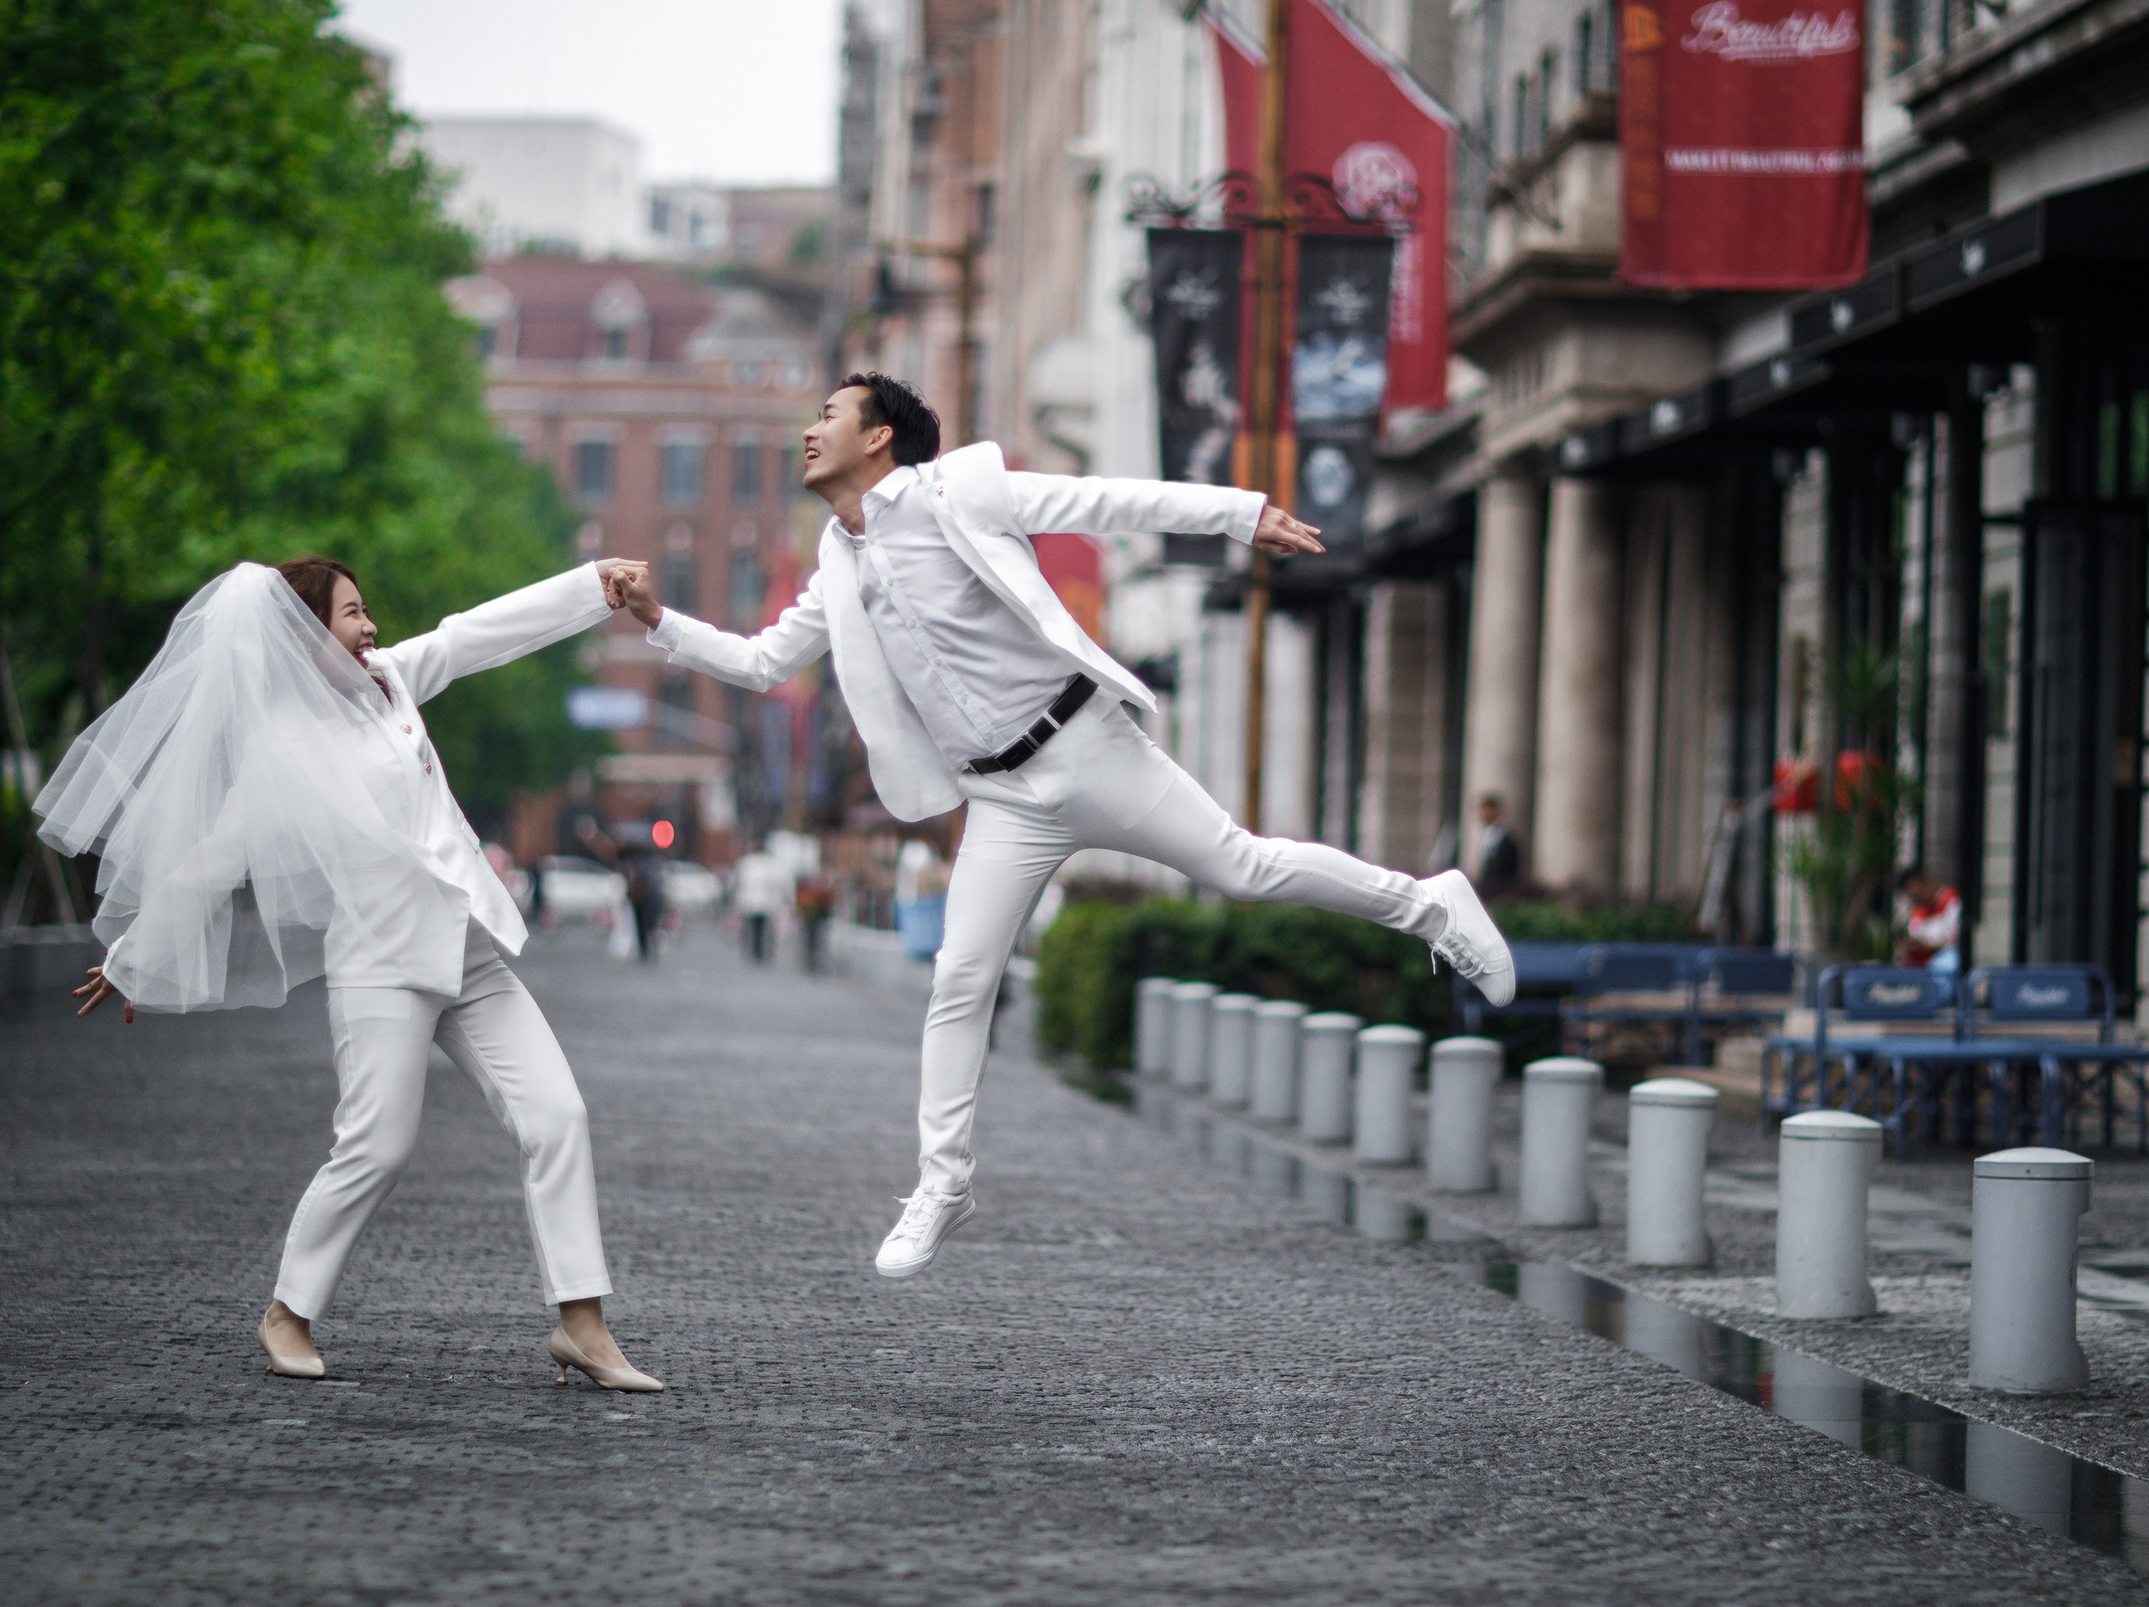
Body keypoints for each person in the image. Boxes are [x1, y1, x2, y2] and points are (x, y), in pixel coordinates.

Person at [606, 373, 1515, 1279]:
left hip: (1085, 745)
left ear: (880, 437)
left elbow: (1104, 500)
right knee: (960, 979)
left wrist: (1242, 515)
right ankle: (943, 1183)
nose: (810, 432)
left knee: (1243, 866)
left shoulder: (957, 488)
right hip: (1000, 798)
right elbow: (766, 662)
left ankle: (1430, 906)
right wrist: (659, 621)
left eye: (829, 417)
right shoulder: (837, 564)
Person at [43, 556, 662, 1392]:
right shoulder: (284, 750)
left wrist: (591, 585)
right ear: (305, 638)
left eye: (366, 610)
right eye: (351, 614)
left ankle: (581, 1324)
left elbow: (474, 634)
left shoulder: (393, 680)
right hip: (381, 965)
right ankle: (287, 1313)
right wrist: (132, 956)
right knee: (376, 1145)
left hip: (467, 947)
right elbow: (211, 860)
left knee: (558, 1115)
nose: (370, 627)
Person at [1896, 865, 1962, 974]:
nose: (1912, 895)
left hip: (1945, 965)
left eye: (1911, 887)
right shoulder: (1917, 913)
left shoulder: (1952, 901)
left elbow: (1954, 942)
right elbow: (1914, 937)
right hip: (1919, 970)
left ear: (1922, 882)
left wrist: (1926, 946)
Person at [733, 844, 787, 963]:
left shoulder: (753, 863)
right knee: (755, 928)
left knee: (759, 928)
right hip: (754, 903)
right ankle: (756, 950)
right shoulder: (749, 863)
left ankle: (759, 951)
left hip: (759, 903)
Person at [1472, 792, 1522, 896]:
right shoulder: (1486, 835)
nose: (1486, 814)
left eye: (1489, 810)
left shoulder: (1505, 839)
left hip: (1501, 890)